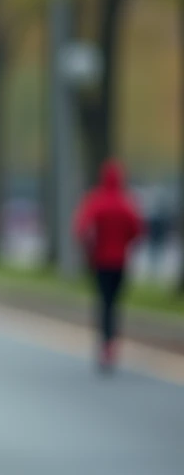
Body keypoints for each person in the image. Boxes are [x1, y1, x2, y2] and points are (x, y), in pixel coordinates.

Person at [73, 160, 144, 374]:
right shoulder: (125, 202)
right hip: (120, 261)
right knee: (114, 302)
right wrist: (124, 243)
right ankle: (111, 341)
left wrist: (90, 248)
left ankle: (105, 342)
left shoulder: (96, 201)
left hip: (101, 261)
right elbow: (137, 229)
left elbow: (81, 227)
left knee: (104, 302)